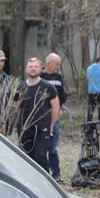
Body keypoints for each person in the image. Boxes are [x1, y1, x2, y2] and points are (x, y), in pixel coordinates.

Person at [13, 57, 60, 172]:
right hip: (25, 129)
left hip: (42, 129)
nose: (33, 69)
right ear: (26, 69)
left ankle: (45, 182)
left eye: (35, 66)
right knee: (26, 158)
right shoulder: (21, 86)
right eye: (30, 66)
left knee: (40, 157)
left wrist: (51, 125)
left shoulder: (48, 87)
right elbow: (16, 105)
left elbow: (55, 107)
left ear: (41, 69)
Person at [39, 53, 68, 181]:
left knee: (53, 147)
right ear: (48, 63)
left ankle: (56, 174)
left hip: (55, 118)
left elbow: (62, 96)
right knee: (41, 147)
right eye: (57, 64)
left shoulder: (59, 77)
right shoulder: (39, 77)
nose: (58, 66)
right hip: (42, 118)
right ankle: (42, 173)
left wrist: (60, 109)